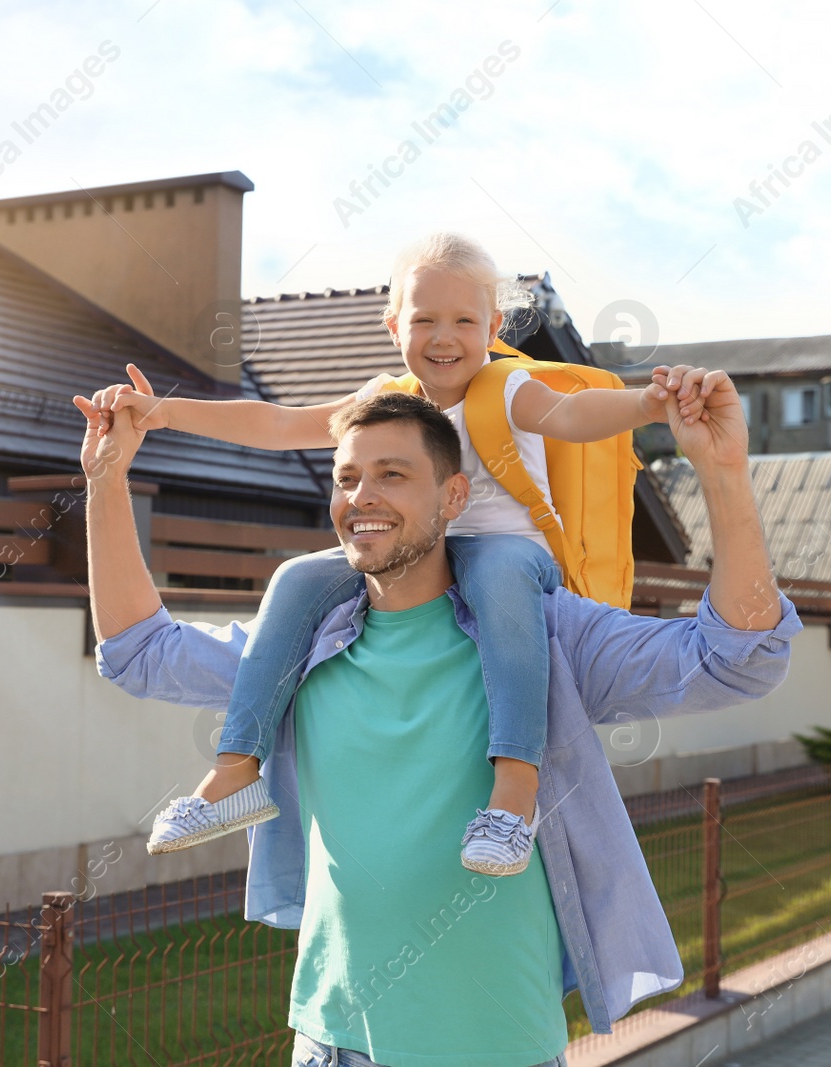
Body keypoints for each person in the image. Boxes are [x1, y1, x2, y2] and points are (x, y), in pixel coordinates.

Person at [74, 365, 802, 1065]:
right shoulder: (301, 645)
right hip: (330, 1043)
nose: (363, 496)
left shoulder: (547, 639)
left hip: (498, 1049)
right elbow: (141, 653)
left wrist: (723, 472)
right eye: (348, 477)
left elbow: (736, 658)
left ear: (455, 497)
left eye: (393, 474)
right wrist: (106, 483)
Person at [91, 233, 685, 877]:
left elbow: (574, 415)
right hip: (410, 551)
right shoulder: (384, 400)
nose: (444, 336)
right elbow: (279, 424)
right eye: (424, 319)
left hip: (506, 552)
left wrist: (647, 404)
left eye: (464, 320)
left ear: (493, 327)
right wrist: (163, 413)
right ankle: (237, 770)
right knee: (296, 576)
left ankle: (515, 790)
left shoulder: (508, 390)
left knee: (500, 582)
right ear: (392, 325)